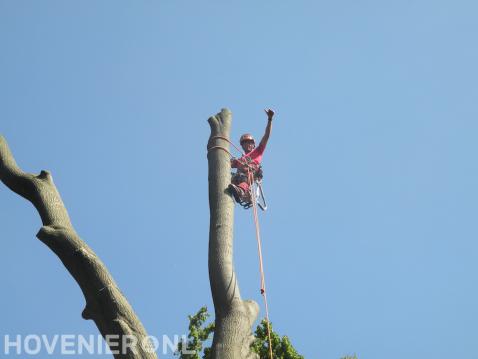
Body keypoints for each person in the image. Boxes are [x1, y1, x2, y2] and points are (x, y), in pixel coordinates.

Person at [228, 108, 274, 205]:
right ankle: (237, 191)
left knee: (246, 177)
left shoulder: (258, 151)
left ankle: (241, 191)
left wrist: (270, 119)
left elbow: (267, 136)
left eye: (250, 143)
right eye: (245, 143)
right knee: (229, 177)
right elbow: (227, 164)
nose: (248, 145)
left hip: (249, 175)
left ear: (253, 145)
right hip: (237, 177)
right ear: (242, 146)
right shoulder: (240, 160)